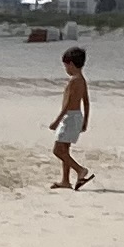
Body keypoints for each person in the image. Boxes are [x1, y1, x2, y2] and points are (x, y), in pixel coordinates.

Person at [49, 44, 92, 189]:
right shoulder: (82, 80)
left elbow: (67, 104)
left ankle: (80, 170)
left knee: (57, 150)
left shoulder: (74, 81)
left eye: (66, 66)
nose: (66, 69)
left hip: (69, 117)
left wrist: (57, 121)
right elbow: (86, 102)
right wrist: (85, 120)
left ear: (71, 64)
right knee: (65, 149)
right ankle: (65, 181)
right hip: (77, 117)